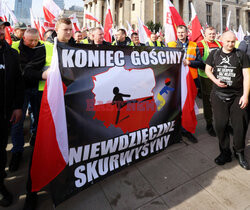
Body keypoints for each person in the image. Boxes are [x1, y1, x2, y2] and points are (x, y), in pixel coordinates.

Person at [23, 18, 73, 210]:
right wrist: (47, 74)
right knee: (41, 147)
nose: (68, 32)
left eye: (70, 29)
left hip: (70, 105)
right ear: (56, 30)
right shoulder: (45, 49)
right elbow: (28, 72)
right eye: (64, 29)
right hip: (48, 106)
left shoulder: (76, 49)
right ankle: (31, 192)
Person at [9, 28, 53, 173]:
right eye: (30, 41)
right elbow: (21, 71)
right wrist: (41, 75)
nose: (34, 43)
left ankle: (37, 147)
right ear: (23, 38)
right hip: (20, 91)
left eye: (36, 40)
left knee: (40, 120)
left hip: (39, 90)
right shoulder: (14, 48)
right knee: (17, 123)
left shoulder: (46, 47)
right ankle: (17, 151)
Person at [205, 31, 250, 170]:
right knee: (220, 126)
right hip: (219, 96)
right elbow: (208, 70)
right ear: (221, 40)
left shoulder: (241, 55)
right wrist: (215, 81)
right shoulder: (214, 54)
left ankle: (239, 152)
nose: (230, 44)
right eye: (227, 41)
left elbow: (247, 76)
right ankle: (225, 152)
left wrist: (246, 96)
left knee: (239, 126)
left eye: (232, 41)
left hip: (238, 96)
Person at [0, 19, 24, 207]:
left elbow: (17, 82)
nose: (1, 31)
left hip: (5, 113)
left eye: (2, 27)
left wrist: (17, 107)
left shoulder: (11, 54)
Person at [167, 25, 204, 143]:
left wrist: (190, 62)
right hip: (176, 81)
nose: (181, 34)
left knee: (189, 106)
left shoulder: (194, 45)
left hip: (191, 81)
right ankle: (177, 130)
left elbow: (201, 63)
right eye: (179, 32)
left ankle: (188, 130)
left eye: (183, 32)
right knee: (176, 106)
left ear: (187, 33)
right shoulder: (171, 45)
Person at [197, 27, 222, 137]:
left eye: (213, 34)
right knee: (208, 101)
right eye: (209, 34)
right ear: (205, 34)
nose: (212, 36)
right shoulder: (200, 45)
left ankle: (224, 123)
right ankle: (209, 124)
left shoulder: (220, 43)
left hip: (220, 76)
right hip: (206, 77)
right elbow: (198, 61)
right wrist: (208, 67)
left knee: (222, 100)